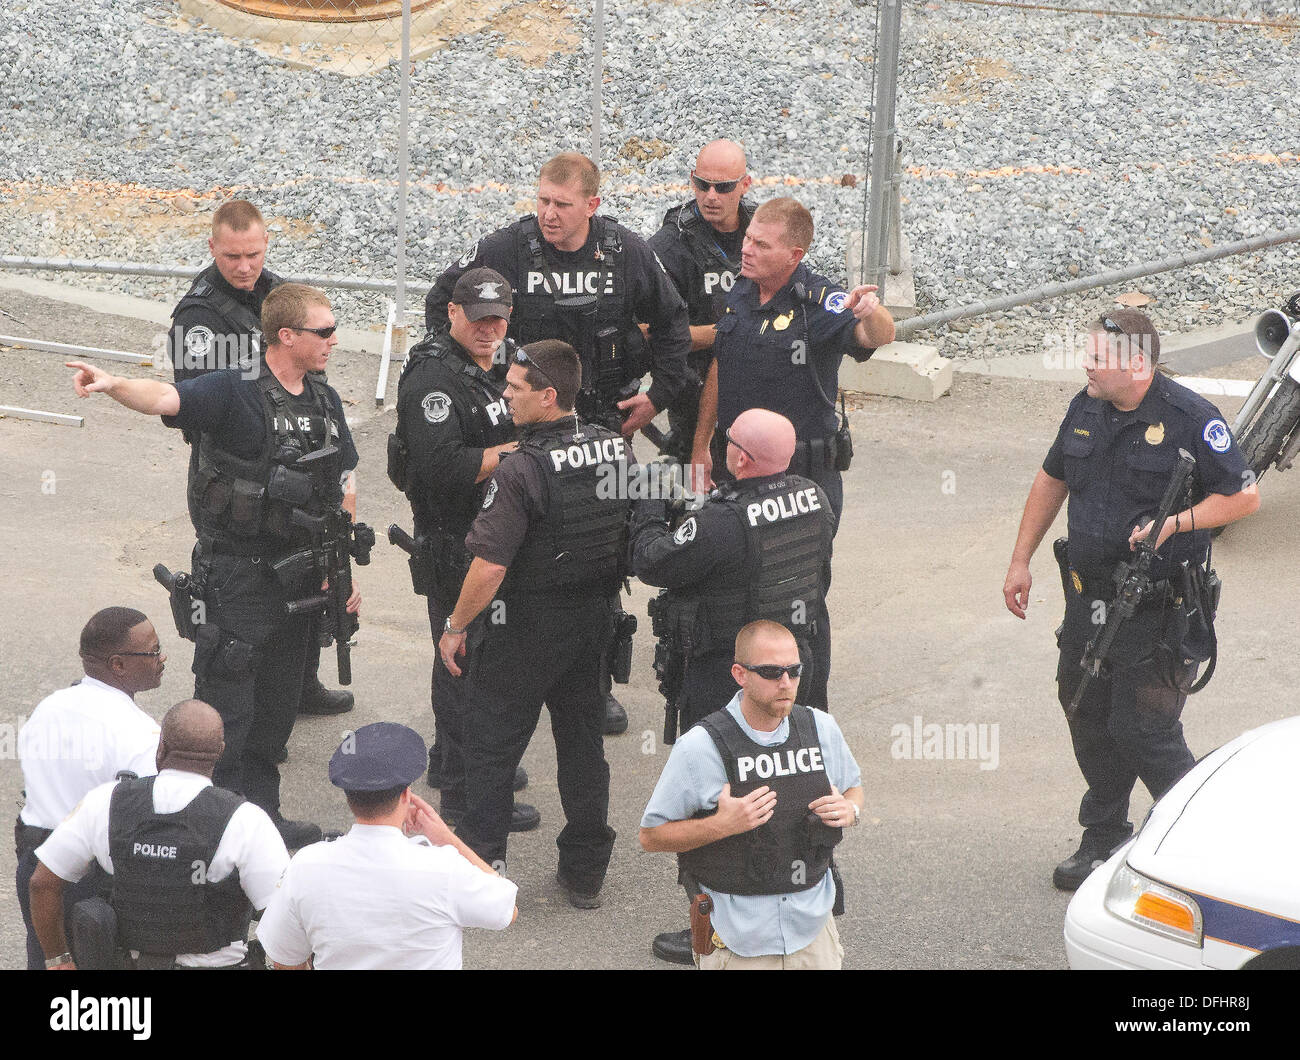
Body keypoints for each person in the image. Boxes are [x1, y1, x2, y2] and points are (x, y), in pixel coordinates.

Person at [68, 283, 362, 849]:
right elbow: (166, 398)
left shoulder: (323, 400)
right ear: (287, 336)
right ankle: (208, 835)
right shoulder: (235, 390)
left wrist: (340, 568)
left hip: (300, 580)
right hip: (237, 578)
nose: (333, 340)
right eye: (323, 331)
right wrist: (112, 385)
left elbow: (344, 477)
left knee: (276, 713)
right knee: (227, 711)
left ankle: (262, 820)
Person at [425, 152, 693, 736]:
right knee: (507, 540)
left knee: (597, 545)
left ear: (592, 206)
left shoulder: (625, 252)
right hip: (521, 426)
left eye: (562, 204)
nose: (547, 213)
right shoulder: (504, 249)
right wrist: (481, 385)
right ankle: (502, 660)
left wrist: (657, 397)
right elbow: (441, 305)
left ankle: (590, 683)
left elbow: (672, 323)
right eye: (542, 200)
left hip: (600, 425)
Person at [1003, 310, 1260, 890]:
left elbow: (1243, 497)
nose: (1087, 363)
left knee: (1144, 728)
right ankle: (1105, 834)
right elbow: (1052, 478)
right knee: (1085, 709)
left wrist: (1177, 523)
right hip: (1088, 597)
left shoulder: (1190, 417)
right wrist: (1020, 559)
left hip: (1160, 604)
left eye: (1099, 356)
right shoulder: (1086, 405)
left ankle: (1202, 842)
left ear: (1139, 364)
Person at [632, 408, 836, 963]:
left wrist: (651, 504)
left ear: (740, 458)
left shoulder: (724, 519)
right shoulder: (816, 498)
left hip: (733, 676)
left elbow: (653, 560)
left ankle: (706, 931)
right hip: (798, 666)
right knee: (800, 780)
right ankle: (813, 883)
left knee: (711, 803)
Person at [437, 340, 630, 908]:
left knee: (491, 750)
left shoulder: (522, 468)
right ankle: (586, 871)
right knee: (582, 748)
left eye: (516, 389)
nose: (505, 395)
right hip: (594, 623)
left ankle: (483, 873)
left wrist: (455, 626)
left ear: (549, 397)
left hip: (524, 630)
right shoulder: (614, 449)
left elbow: (490, 565)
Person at [689, 196, 895, 717]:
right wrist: (699, 449)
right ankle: (746, 711)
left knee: (796, 601)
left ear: (794, 254)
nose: (748, 248)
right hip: (738, 473)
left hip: (804, 478)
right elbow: (722, 366)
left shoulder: (818, 300)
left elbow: (873, 337)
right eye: (749, 238)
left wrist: (873, 313)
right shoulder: (741, 290)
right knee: (738, 596)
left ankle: (808, 717)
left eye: (762, 243)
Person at [168, 199, 351, 720]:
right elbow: (190, 406)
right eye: (232, 257)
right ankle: (234, 694)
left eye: (252, 254)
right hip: (234, 468)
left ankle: (298, 682)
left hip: (296, 454)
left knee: (303, 558)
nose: (244, 267)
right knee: (239, 573)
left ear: (266, 243)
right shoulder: (199, 316)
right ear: (212, 249)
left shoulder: (279, 294)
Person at [391, 267, 538, 831]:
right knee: (462, 662)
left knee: (488, 660)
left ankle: (468, 763)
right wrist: (522, 452)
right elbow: (443, 468)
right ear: (453, 313)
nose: (489, 330)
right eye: (478, 319)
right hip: (455, 541)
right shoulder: (433, 380)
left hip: (497, 537)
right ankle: (461, 795)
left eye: (498, 319)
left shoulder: (507, 360)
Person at [639, 621, 864, 969]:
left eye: (794, 670)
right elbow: (651, 836)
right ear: (740, 674)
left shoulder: (820, 728)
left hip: (813, 935)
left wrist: (850, 809)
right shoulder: (700, 747)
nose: (786, 683)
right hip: (738, 942)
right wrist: (722, 825)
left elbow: (853, 788)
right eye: (772, 672)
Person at [28, 699, 289, 970]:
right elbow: (286, 918)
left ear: (161, 746)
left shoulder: (106, 803)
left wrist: (58, 959)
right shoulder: (246, 820)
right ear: (219, 753)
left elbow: (41, 883)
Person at [256, 722, 518, 970]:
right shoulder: (444, 868)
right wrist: (447, 838)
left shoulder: (305, 866)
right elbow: (507, 910)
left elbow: (285, 959)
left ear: (348, 797)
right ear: (406, 794)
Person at [15, 607, 164, 970]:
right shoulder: (140, 734)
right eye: (153, 651)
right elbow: (148, 817)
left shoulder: (47, 708)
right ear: (118, 665)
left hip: (35, 869)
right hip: (96, 881)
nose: (162, 659)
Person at [648, 139, 755, 464]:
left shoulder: (761, 229)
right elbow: (649, 333)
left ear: (745, 184)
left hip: (756, 389)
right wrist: (728, 333)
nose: (710, 196)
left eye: (723, 187)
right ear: (692, 179)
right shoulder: (671, 244)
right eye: (702, 184)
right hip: (694, 395)